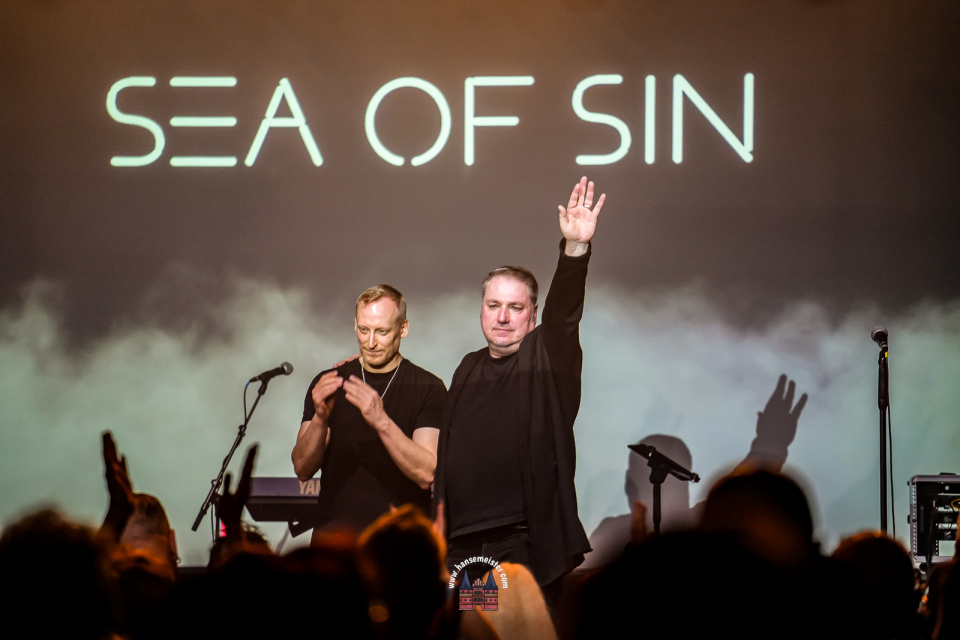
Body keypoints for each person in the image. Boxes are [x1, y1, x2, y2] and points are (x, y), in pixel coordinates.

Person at [434, 176, 605, 603]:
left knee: (516, 630)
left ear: (532, 315)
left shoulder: (546, 356)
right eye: (494, 305)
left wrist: (575, 249)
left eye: (515, 307)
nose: (503, 317)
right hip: (465, 542)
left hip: (521, 540)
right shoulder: (468, 367)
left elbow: (564, 314)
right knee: (474, 630)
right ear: (481, 310)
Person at [292, 285, 447, 535]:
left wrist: (382, 421)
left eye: (382, 331)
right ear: (355, 325)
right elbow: (302, 468)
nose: (371, 342)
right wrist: (320, 418)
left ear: (403, 328)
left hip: (399, 541)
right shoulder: (329, 382)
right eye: (364, 330)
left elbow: (427, 473)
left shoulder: (428, 388)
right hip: (335, 541)